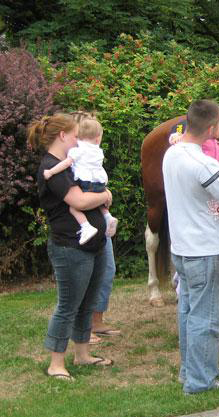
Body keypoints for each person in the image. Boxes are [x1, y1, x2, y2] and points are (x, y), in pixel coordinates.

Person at [162, 99, 219, 394]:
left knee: (187, 312)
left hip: (182, 248)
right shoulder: (203, 162)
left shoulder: (172, 153)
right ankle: (202, 381)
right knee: (206, 318)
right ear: (212, 128)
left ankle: (190, 371)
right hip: (204, 250)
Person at [29, 113, 114, 381]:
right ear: (63, 136)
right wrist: (105, 195)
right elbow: (78, 200)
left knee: (87, 303)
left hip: (94, 243)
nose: (80, 140)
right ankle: (56, 363)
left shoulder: (71, 162)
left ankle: (82, 354)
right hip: (69, 247)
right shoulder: (52, 167)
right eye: (76, 135)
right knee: (68, 305)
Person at [68, 111, 121, 344]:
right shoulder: (72, 161)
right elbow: (79, 199)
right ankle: (82, 328)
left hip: (100, 226)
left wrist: (104, 195)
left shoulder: (91, 158)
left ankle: (96, 321)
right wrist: (104, 197)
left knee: (107, 271)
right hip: (82, 228)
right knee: (85, 279)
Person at [43, 118, 118, 244]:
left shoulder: (77, 151)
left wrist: (50, 172)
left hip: (87, 183)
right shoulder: (98, 151)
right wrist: (106, 194)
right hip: (100, 183)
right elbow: (81, 201)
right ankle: (108, 216)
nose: (76, 139)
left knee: (73, 209)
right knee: (98, 203)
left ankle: (86, 227)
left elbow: (66, 164)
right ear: (98, 138)